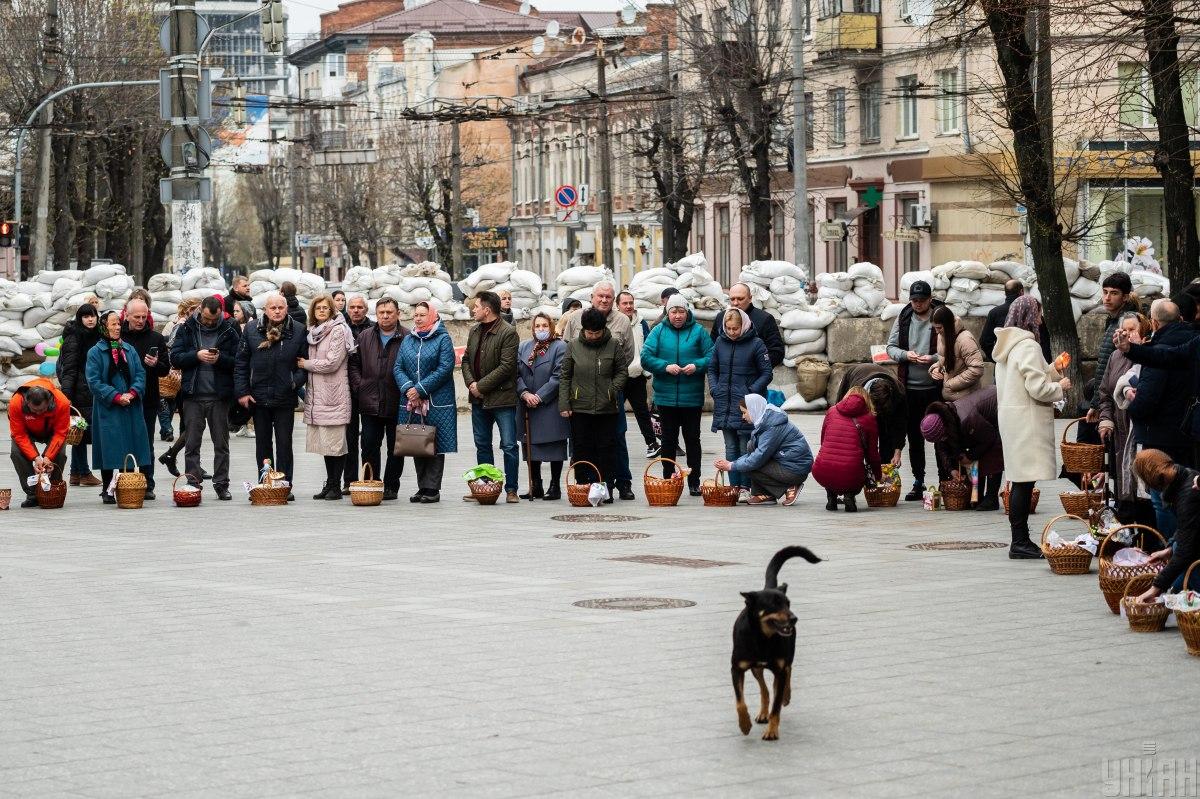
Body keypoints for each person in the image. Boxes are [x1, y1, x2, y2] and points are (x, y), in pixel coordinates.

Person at [993, 295, 1070, 559]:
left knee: (1020, 480)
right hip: (1027, 422)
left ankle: (1020, 539)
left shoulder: (1007, 346)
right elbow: (1036, 388)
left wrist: (1054, 369)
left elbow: (1026, 378)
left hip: (1013, 421)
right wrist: (1059, 387)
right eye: (1038, 313)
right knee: (1024, 483)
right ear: (1029, 316)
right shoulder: (1028, 345)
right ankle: (1020, 541)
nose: (1041, 318)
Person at [1116, 298, 1196, 537]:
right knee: (1188, 495)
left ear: (1153, 322)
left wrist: (1132, 403)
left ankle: (1173, 551)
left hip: (1161, 437)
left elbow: (1145, 403)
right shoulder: (1190, 342)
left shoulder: (1161, 349)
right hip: (1189, 433)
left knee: (1163, 499)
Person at [559, 282, 636, 499]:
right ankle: (583, 485)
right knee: (582, 445)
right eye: (600, 296)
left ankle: (610, 485)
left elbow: (625, 363)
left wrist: (612, 388)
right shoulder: (574, 335)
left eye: (608, 297)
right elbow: (565, 373)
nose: (604, 300)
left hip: (608, 402)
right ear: (592, 297)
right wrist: (565, 403)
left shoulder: (617, 331)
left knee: (610, 444)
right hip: (580, 402)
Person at [235, 293, 307, 500]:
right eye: (272, 308)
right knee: (263, 444)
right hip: (258, 397)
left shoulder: (299, 331)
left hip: (285, 398)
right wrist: (242, 392)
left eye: (280, 308)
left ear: (286, 309)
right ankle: (265, 483)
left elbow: (304, 365)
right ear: (265, 310)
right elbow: (241, 363)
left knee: (284, 443)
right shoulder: (251, 329)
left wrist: (294, 382)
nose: (277, 311)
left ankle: (283, 485)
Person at [170, 296, 240, 500]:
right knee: (192, 443)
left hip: (219, 397)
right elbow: (175, 357)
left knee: (222, 444)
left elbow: (238, 361)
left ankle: (221, 484)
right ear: (200, 310)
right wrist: (196, 356)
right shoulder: (187, 328)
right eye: (207, 318)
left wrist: (220, 360)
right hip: (193, 395)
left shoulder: (229, 329)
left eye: (215, 319)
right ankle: (193, 482)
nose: (210, 322)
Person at [641, 294, 712, 496]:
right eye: (674, 312)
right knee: (669, 440)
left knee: (692, 439)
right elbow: (646, 357)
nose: (678, 316)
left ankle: (694, 480)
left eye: (681, 311)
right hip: (666, 397)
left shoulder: (698, 331)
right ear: (667, 313)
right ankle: (668, 477)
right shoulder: (659, 331)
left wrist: (697, 366)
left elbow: (711, 355)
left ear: (687, 312)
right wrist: (665, 367)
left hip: (692, 397)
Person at [86, 311, 153, 504]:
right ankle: (108, 489)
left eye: (118, 324)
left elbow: (140, 374)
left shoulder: (129, 350)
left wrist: (132, 393)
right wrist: (115, 396)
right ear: (103, 327)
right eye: (112, 324)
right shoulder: (95, 352)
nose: (116, 328)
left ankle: (128, 484)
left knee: (131, 444)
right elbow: (94, 381)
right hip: (108, 408)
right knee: (109, 447)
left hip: (130, 405)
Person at [886, 279, 943, 501]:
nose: (917, 304)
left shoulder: (940, 316)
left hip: (934, 387)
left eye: (921, 300)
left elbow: (951, 348)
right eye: (914, 300)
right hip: (909, 387)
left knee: (940, 434)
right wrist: (905, 355)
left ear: (930, 299)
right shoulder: (904, 316)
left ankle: (944, 478)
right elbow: (890, 348)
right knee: (914, 437)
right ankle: (918, 481)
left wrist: (933, 359)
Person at [461, 290, 521, 503]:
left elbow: (507, 366)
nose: (473, 310)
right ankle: (484, 486)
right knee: (482, 444)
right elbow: (466, 360)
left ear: (486, 310)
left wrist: (481, 386)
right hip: (478, 399)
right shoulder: (475, 330)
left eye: (476, 306)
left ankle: (511, 489)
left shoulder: (508, 332)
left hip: (502, 398)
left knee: (509, 445)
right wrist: (471, 384)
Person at [395, 302, 457, 502]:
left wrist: (420, 389)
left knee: (434, 443)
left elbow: (445, 367)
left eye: (423, 315)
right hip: (412, 401)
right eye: (416, 315)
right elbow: (398, 367)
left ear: (433, 317)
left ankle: (433, 488)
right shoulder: (408, 340)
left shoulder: (443, 339)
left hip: (436, 400)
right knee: (417, 441)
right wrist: (408, 388)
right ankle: (422, 486)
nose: (419, 318)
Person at [709, 308, 772, 502]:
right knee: (730, 447)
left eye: (735, 328)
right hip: (725, 402)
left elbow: (766, 373)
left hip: (746, 405)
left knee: (746, 447)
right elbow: (712, 368)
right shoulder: (720, 342)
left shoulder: (756, 344)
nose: (732, 332)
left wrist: (751, 391)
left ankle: (745, 486)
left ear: (743, 325)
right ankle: (733, 486)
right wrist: (715, 388)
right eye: (728, 328)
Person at [348, 297, 406, 501]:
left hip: (397, 400)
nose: (385, 316)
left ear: (398, 313)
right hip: (370, 401)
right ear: (376, 314)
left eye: (389, 312)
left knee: (395, 448)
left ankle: (391, 486)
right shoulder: (365, 336)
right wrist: (359, 385)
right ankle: (372, 483)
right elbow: (353, 363)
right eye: (381, 312)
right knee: (369, 444)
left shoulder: (407, 336)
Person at [298, 293, 354, 501]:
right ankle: (330, 483)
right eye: (318, 308)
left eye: (325, 308)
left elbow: (332, 362)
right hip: (317, 395)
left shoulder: (338, 330)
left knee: (335, 444)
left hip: (334, 395)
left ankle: (336, 486)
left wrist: (306, 364)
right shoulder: (313, 332)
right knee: (325, 445)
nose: (321, 311)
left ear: (332, 310)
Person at [1098, 312, 1153, 524]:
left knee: (1142, 484)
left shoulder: (1148, 355)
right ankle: (1127, 532)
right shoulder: (1115, 357)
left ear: (1143, 331)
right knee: (1122, 484)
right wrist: (1106, 418)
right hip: (1119, 434)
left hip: (1140, 432)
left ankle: (1146, 534)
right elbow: (1105, 392)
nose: (1127, 334)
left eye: (1132, 330)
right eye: (1124, 330)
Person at [714, 394, 812, 506]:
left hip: (795, 470)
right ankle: (765, 494)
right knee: (750, 449)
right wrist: (733, 464)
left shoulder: (772, 426)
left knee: (748, 466)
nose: (743, 417)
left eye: (744, 412)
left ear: (753, 409)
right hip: (788, 463)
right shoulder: (765, 422)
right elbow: (755, 453)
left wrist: (731, 466)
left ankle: (790, 486)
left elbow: (758, 458)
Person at [1131, 449, 1200, 605]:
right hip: (1191, 548)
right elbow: (1188, 527)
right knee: (1175, 548)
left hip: (1194, 556)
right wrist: (1168, 549)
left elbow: (1185, 550)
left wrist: (1156, 588)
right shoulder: (1185, 477)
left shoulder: (1188, 496)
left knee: (1179, 553)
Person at [920, 386, 1003, 511]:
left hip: (999, 408)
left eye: (942, 437)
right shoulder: (944, 420)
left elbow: (990, 439)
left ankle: (991, 498)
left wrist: (969, 456)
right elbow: (942, 448)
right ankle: (976, 497)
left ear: (945, 430)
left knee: (991, 453)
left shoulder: (967, 419)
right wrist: (952, 469)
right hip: (982, 422)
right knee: (975, 459)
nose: (941, 440)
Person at [121, 299, 171, 500]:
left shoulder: (156, 338)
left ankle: (147, 483)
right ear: (127, 315)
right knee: (125, 441)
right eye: (136, 317)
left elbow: (165, 369)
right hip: (123, 398)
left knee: (146, 442)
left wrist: (156, 363)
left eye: (144, 317)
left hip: (148, 399)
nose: (141, 321)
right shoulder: (119, 337)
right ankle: (126, 480)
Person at [517, 312, 569, 500]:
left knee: (554, 445)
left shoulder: (560, 347)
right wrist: (524, 393)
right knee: (530, 446)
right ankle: (535, 484)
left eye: (544, 326)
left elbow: (559, 376)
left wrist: (539, 396)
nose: (541, 330)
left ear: (551, 327)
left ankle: (555, 486)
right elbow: (516, 374)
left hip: (549, 405)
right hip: (527, 405)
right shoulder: (524, 347)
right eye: (537, 326)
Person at [812, 387, 882, 513]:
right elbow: (872, 453)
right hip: (851, 472)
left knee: (833, 470)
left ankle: (831, 496)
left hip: (821, 470)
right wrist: (877, 476)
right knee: (854, 474)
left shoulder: (832, 411)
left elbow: (823, 440)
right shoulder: (869, 418)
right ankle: (849, 495)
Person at [56, 304, 102, 487]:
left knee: (79, 431)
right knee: (82, 432)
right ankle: (84, 472)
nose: (90, 319)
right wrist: (66, 396)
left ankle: (75, 473)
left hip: (90, 391)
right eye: (85, 316)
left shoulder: (97, 335)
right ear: (79, 319)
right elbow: (69, 370)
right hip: (78, 392)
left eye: (93, 316)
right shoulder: (74, 338)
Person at [833, 364, 907, 472]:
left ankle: (882, 478)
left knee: (887, 440)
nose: (876, 414)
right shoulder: (855, 390)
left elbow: (900, 424)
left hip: (887, 406)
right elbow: (841, 412)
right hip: (857, 375)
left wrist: (897, 451)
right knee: (858, 442)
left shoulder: (899, 393)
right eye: (874, 410)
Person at [1086, 272, 1139, 422]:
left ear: (1125, 297)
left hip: (1123, 394)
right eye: (1105, 292)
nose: (1107, 297)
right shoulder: (1113, 320)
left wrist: (1096, 404)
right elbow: (1105, 364)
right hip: (1111, 396)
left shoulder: (1129, 322)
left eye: (1114, 293)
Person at [8, 379, 70, 508]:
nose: (38, 413)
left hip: (52, 432)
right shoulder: (15, 403)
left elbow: (60, 433)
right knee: (16, 453)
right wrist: (36, 458)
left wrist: (47, 458)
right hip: (27, 431)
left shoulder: (62, 402)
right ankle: (32, 494)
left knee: (60, 454)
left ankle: (52, 490)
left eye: (42, 410)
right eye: (34, 410)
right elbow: (19, 434)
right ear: (26, 402)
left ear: (49, 402)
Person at [158, 299, 200, 461]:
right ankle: (179, 457)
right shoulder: (181, 326)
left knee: (191, 425)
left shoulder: (196, 326)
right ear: (188, 311)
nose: (198, 313)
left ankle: (174, 456)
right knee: (191, 425)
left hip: (191, 380)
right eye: (195, 310)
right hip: (183, 379)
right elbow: (172, 349)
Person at [618, 290, 658, 457]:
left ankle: (652, 443)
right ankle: (615, 444)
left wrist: (646, 370)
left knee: (642, 412)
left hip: (637, 375)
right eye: (624, 303)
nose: (628, 306)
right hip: (618, 377)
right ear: (617, 306)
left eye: (630, 303)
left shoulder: (642, 323)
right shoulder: (613, 323)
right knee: (616, 413)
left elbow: (648, 348)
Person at [340, 294, 374, 492]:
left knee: (368, 439)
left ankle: (368, 478)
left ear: (366, 310)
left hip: (368, 389)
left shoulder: (373, 329)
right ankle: (349, 480)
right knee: (349, 438)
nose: (355, 310)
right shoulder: (341, 328)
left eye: (359, 307)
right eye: (352, 307)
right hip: (347, 389)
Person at [708, 282, 785, 368]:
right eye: (732, 299)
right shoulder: (721, 317)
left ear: (750, 298)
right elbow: (711, 348)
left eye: (740, 299)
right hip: (723, 377)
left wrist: (755, 368)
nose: (736, 303)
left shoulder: (765, 319)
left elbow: (777, 352)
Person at [980, 280, 1051, 363]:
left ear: (1005, 293)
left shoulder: (994, 313)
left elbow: (985, 342)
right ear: (1021, 291)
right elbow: (1045, 344)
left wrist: (999, 359)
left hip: (1003, 370)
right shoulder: (1033, 314)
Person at [929, 305, 984, 402]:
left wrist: (950, 384)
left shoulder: (965, 339)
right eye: (934, 328)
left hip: (966, 399)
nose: (936, 331)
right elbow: (948, 360)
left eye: (939, 327)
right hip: (950, 398)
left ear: (948, 324)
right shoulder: (942, 335)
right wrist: (937, 368)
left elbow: (977, 369)